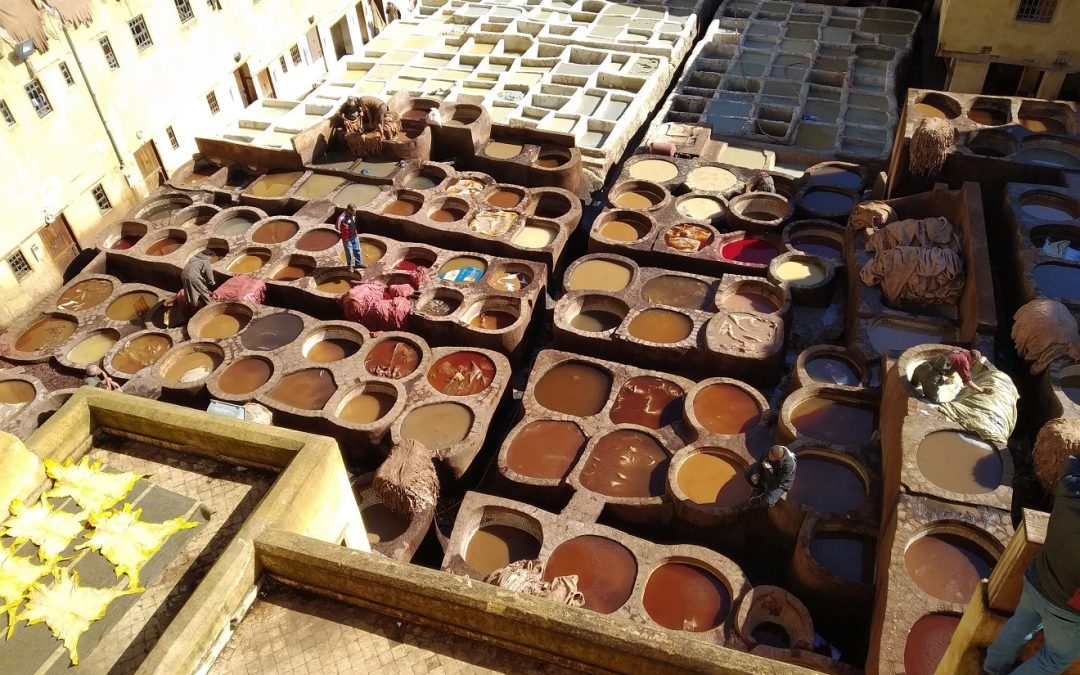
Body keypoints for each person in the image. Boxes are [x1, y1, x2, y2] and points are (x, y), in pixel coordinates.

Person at [983, 453, 1080, 675]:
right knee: (1055, 660)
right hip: (1067, 609)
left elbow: (1075, 458)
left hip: (1037, 578)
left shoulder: (1072, 485)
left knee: (1019, 625)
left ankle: (991, 667)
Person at [911, 348, 992, 402]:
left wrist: (949, 375)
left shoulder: (957, 352)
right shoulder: (964, 361)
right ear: (974, 359)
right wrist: (980, 389)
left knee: (911, 388)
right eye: (975, 362)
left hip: (921, 367)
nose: (973, 364)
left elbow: (945, 363)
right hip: (930, 377)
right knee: (931, 401)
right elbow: (967, 382)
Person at [337, 204, 363, 271]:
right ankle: (350, 267)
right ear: (348, 210)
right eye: (353, 211)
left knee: (357, 250)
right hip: (347, 238)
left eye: (355, 211)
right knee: (349, 253)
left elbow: (353, 223)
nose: (355, 212)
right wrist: (345, 231)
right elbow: (337, 227)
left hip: (354, 236)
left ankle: (359, 264)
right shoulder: (342, 218)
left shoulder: (353, 214)